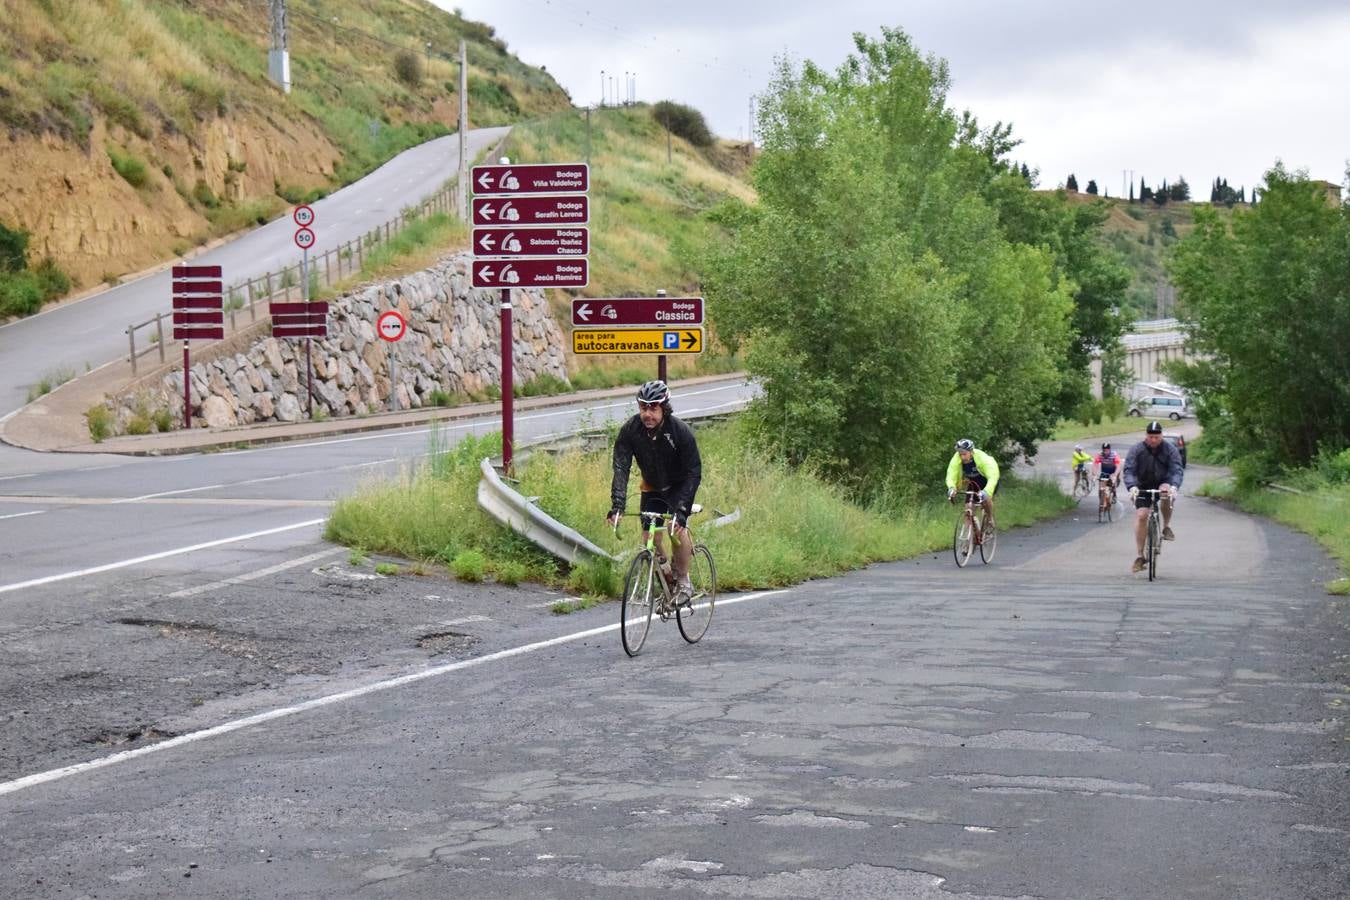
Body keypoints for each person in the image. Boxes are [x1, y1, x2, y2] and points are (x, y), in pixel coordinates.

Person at [607, 380, 703, 608]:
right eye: (643, 408)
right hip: (652, 486)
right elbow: (621, 466)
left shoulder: (679, 431)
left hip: (679, 486)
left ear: (664, 408)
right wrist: (617, 505)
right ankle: (666, 576)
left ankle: (684, 583)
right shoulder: (631, 430)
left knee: (674, 530)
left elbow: (693, 472)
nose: (647, 414)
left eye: (653, 408)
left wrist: (681, 511)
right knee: (649, 537)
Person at [1123, 420, 1185, 573]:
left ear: (1161, 436)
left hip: (1163, 483)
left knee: (1166, 494)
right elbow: (1129, 470)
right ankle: (1140, 556)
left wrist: (1173, 486)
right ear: (1146, 436)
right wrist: (1132, 487)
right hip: (1142, 486)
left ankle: (1166, 527)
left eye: (1157, 437)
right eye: (1151, 437)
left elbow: (1177, 469)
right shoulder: (1136, 450)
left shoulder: (1170, 450)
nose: (1154, 440)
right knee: (1142, 515)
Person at [946, 438, 1000, 528]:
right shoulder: (956, 458)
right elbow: (951, 474)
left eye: (964, 454)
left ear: (971, 452)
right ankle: (969, 536)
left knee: (986, 500)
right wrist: (951, 487)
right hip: (974, 482)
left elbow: (993, 476)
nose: (962, 457)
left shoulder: (982, 458)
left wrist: (986, 492)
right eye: (960, 454)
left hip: (987, 480)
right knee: (968, 508)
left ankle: (990, 518)